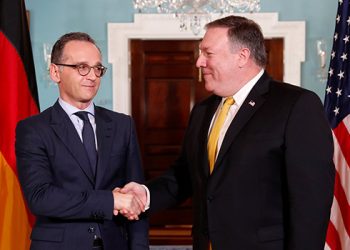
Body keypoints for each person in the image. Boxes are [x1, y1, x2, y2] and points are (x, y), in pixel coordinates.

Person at [121, 15, 335, 250]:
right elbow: (184, 177)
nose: (199, 62)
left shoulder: (296, 105)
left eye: (207, 53)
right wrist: (144, 194)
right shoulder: (203, 110)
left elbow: (310, 204)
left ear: (242, 56)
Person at [15, 32, 148, 250]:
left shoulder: (122, 125)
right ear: (55, 72)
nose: (93, 76)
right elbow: (40, 197)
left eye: (97, 68)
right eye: (82, 67)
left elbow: (136, 197)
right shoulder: (33, 129)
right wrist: (110, 201)